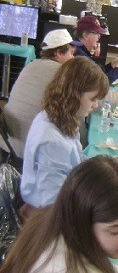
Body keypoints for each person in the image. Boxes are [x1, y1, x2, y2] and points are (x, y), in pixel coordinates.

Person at [20, 57, 109, 212]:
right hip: (46, 215)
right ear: (74, 94)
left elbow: (77, 159)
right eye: (92, 99)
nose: (95, 105)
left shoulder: (61, 118)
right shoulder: (52, 142)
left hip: (60, 197)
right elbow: (52, 203)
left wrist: (108, 168)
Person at [1, 29, 81, 159]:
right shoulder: (61, 72)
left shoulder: (30, 65)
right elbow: (95, 99)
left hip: (10, 144)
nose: (73, 58)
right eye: (71, 54)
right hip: (31, 150)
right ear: (58, 53)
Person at [74, 15, 118, 85]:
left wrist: (114, 63)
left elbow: (98, 74)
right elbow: (99, 84)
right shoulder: (79, 55)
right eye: (96, 33)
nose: (99, 37)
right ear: (86, 35)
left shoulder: (80, 50)